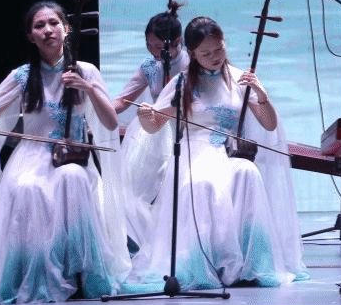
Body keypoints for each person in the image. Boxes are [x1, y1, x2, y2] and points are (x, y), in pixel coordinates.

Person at [0, 0, 129, 302]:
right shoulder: (22, 75)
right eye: (39, 26)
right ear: (31, 36)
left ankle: (80, 273)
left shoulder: (86, 71)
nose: (47, 30)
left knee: (73, 179)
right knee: (28, 188)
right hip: (32, 156)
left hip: (71, 156)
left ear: (67, 28)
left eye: (53, 23)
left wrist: (88, 88)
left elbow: (110, 121)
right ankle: (29, 275)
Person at [131, 16, 305, 289]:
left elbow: (269, 124)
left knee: (248, 172)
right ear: (192, 54)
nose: (214, 57)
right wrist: (145, 116)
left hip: (229, 153)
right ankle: (201, 262)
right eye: (206, 53)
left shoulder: (238, 78)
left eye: (219, 49)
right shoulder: (181, 83)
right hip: (194, 153)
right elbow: (154, 125)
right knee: (203, 183)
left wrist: (261, 94)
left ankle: (249, 263)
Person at [111, 0, 191, 259]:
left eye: (158, 46)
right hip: (152, 130)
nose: (153, 51)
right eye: (149, 45)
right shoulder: (149, 66)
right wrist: (99, 109)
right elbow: (123, 100)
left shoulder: (191, 63)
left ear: (176, 42)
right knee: (135, 191)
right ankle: (142, 239)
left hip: (185, 128)